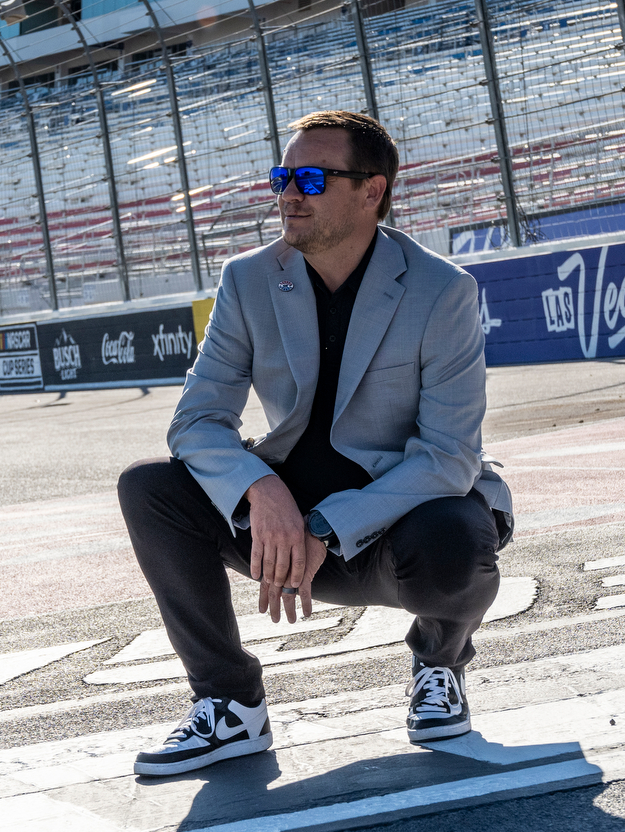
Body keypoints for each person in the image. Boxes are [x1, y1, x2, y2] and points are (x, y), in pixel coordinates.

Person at [117, 109, 513, 777]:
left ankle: (439, 661)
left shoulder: (443, 290)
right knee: (150, 489)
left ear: (372, 191)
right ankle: (230, 704)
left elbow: (448, 457)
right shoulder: (249, 279)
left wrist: (329, 525)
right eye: (281, 177)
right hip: (282, 530)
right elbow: (196, 420)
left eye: (310, 178)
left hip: (393, 533)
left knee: (457, 535)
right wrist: (259, 490)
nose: (288, 195)